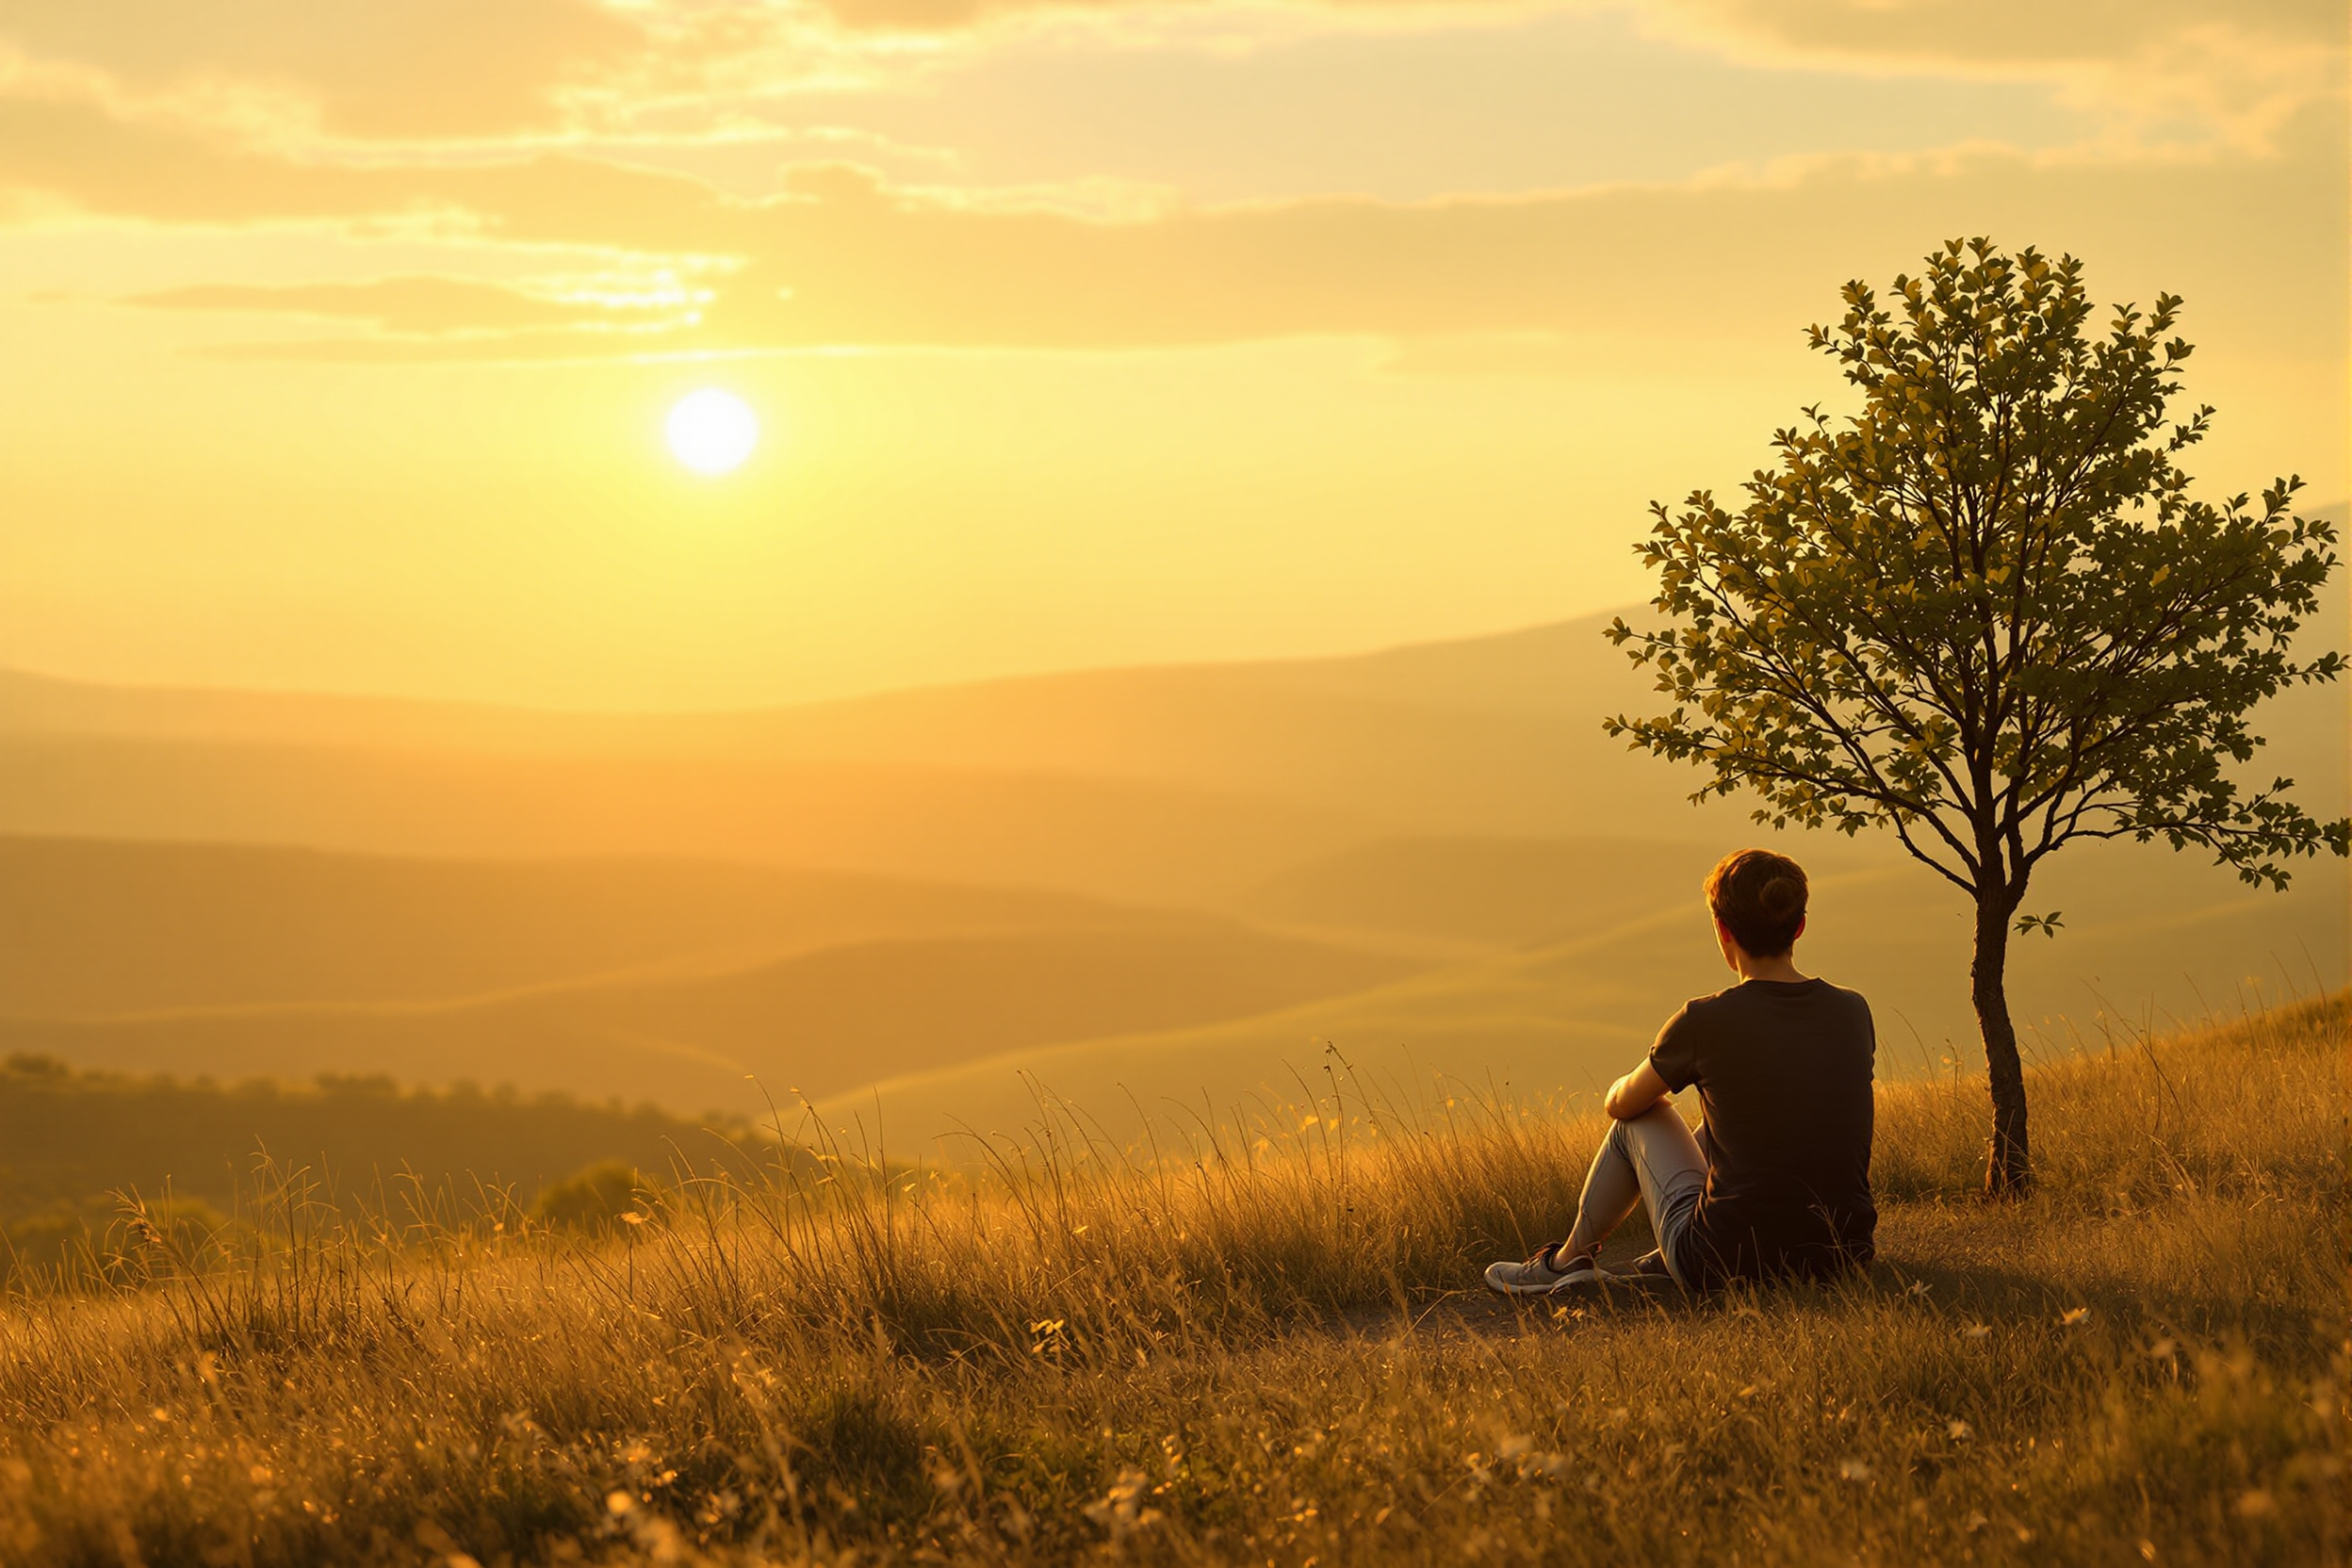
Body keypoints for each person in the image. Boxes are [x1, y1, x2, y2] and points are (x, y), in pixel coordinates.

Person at [1485, 848, 1876, 1296]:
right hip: (1842, 1255)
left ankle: (1566, 1261)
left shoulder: (1704, 1020)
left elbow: (1622, 1105)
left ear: (1723, 929)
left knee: (1640, 1120)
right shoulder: (1852, 1009)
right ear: (1800, 926)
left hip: (1722, 1262)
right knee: (1743, 1113)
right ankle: (1653, 1257)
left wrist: (1628, 1086)